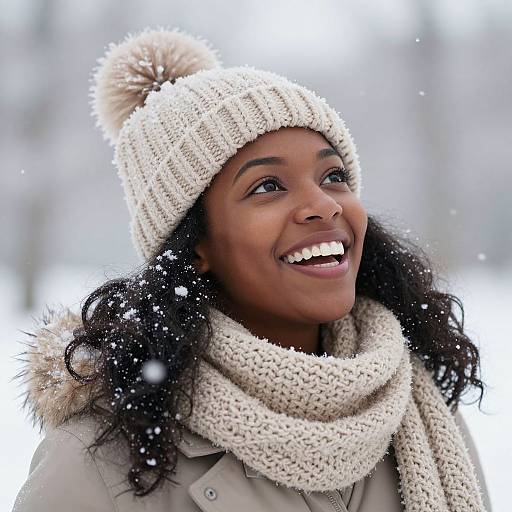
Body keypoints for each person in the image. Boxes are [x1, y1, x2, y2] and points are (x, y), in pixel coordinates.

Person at [13, 27, 492, 512]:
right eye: (267, 186)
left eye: (333, 176)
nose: (324, 206)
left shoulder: (424, 419)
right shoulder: (95, 469)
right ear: (195, 245)